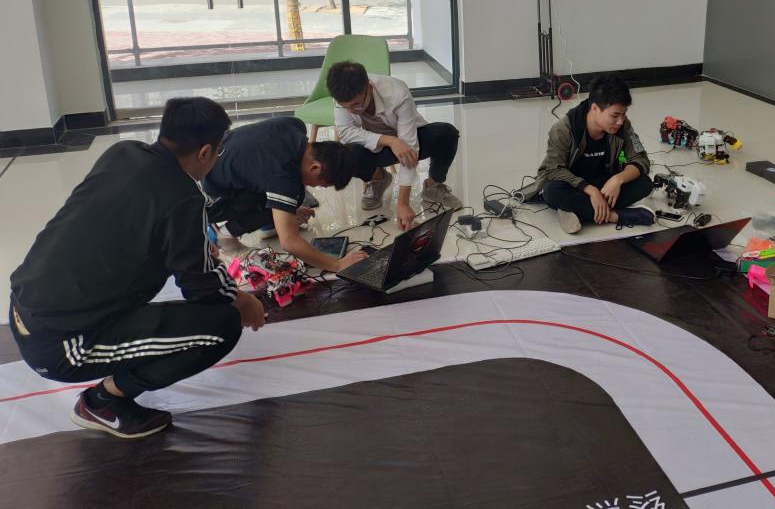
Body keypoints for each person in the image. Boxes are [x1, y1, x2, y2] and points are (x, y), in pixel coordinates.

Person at [8, 97, 266, 439]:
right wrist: (242, 299)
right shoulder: (183, 198)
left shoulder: (123, 153)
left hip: (26, 307)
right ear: (205, 152)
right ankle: (101, 402)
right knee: (221, 326)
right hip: (62, 344)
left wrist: (191, 244)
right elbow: (204, 291)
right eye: (218, 151)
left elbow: (129, 224)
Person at [203, 116, 369, 273]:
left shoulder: (294, 126)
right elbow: (289, 242)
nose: (314, 186)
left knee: (289, 200)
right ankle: (225, 236)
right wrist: (337, 264)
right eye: (320, 184)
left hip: (208, 161)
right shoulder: (284, 175)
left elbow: (262, 163)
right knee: (292, 196)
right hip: (206, 203)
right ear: (315, 168)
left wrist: (290, 211)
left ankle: (270, 222)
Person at [328, 61, 462, 230]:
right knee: (345, 155)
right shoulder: (341, 97)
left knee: (446, 134)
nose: (352, 110)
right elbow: (346, 132)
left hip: (409, 138)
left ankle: (432, 186)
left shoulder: (397, 92)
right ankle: (378, 178)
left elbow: (409, 147)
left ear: (369, 88)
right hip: (378, 146)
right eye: (345, 107)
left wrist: (403, 203)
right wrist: (390, 141)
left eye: (356, 104)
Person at [521, 74, 655, 234]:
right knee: (552, 192)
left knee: (645, 183)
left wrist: (618, 180)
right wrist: (591, 190)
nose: (620, 121)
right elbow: (554, 170)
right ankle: (615, 216)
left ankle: (575, 210)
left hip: (605, 183)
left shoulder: (623, 126)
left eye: (624, 114)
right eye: (615, 115)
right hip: (573, 184)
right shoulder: (563, 129)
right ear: (595, 108)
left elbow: (641, 159)